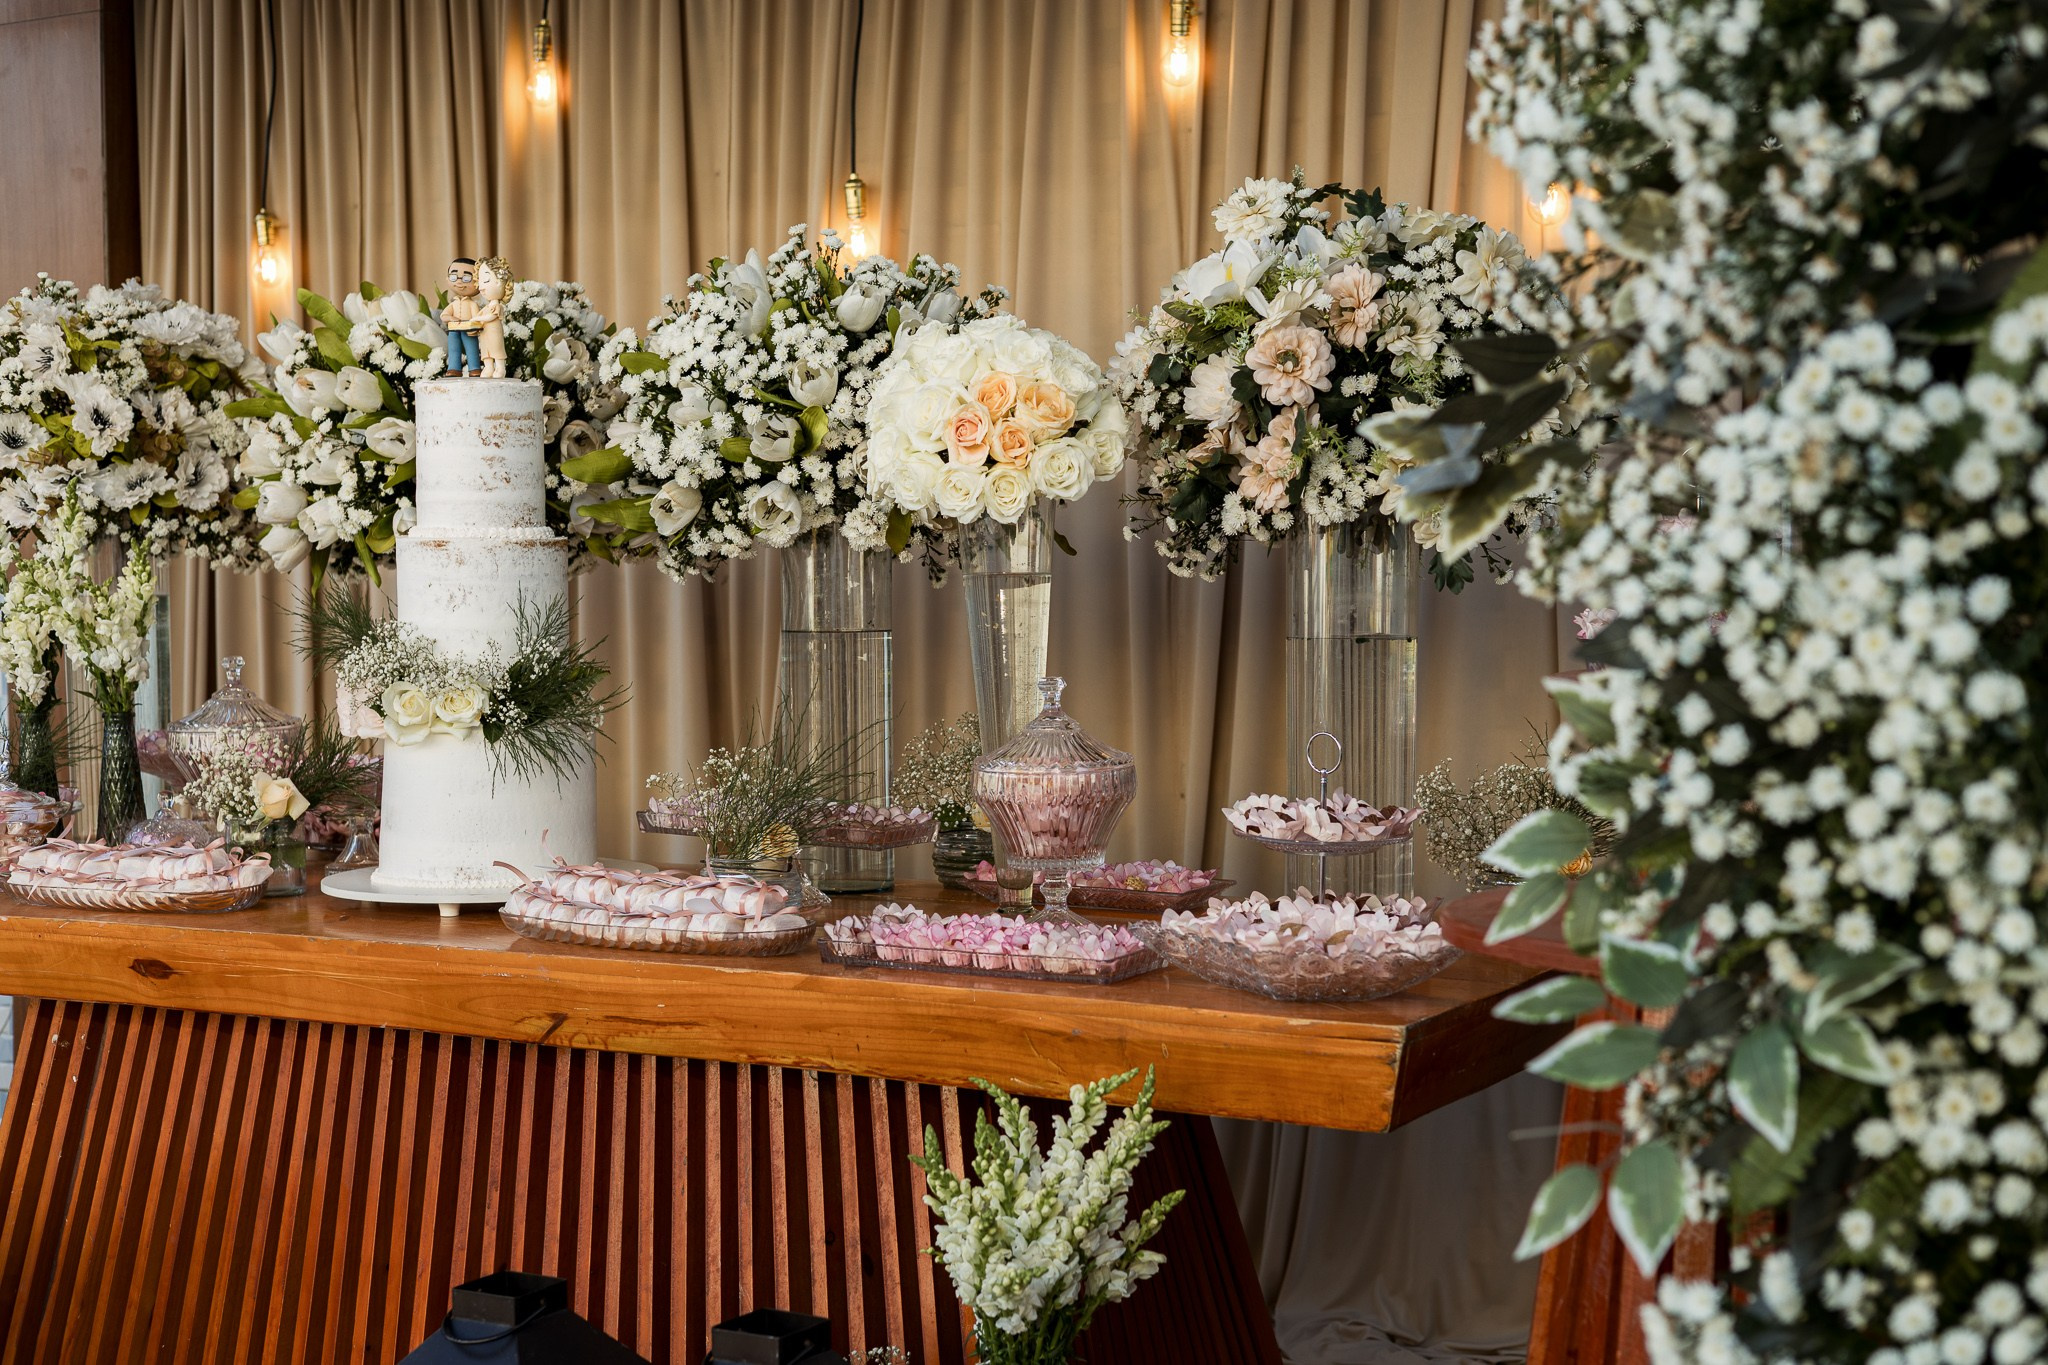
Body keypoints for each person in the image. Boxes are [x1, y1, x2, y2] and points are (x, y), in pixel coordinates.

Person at [441, 257, 483, 376]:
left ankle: (474, 368)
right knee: (454, 350)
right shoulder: (453, 303)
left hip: (468, 330)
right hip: (454, 330)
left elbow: (477, 318)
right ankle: (454, 368)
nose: (459, 282)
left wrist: (475, 328)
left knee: (472, 349)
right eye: (454, 277)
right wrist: (451, 318)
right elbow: (443, 315)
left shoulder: (472, 304)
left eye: (466, 278)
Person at [474, 257, 511, 379]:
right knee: (486, 351)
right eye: (480, 281)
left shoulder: (497, 306)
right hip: (484, 335)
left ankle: (500, 368)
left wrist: (477, 320)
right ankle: (489, 367)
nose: (480, 287)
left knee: (497, 350)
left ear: (499, 282)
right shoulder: (485, 307)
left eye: (486, 280)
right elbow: (480, 316)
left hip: (495, 334)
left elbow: (491, 317)